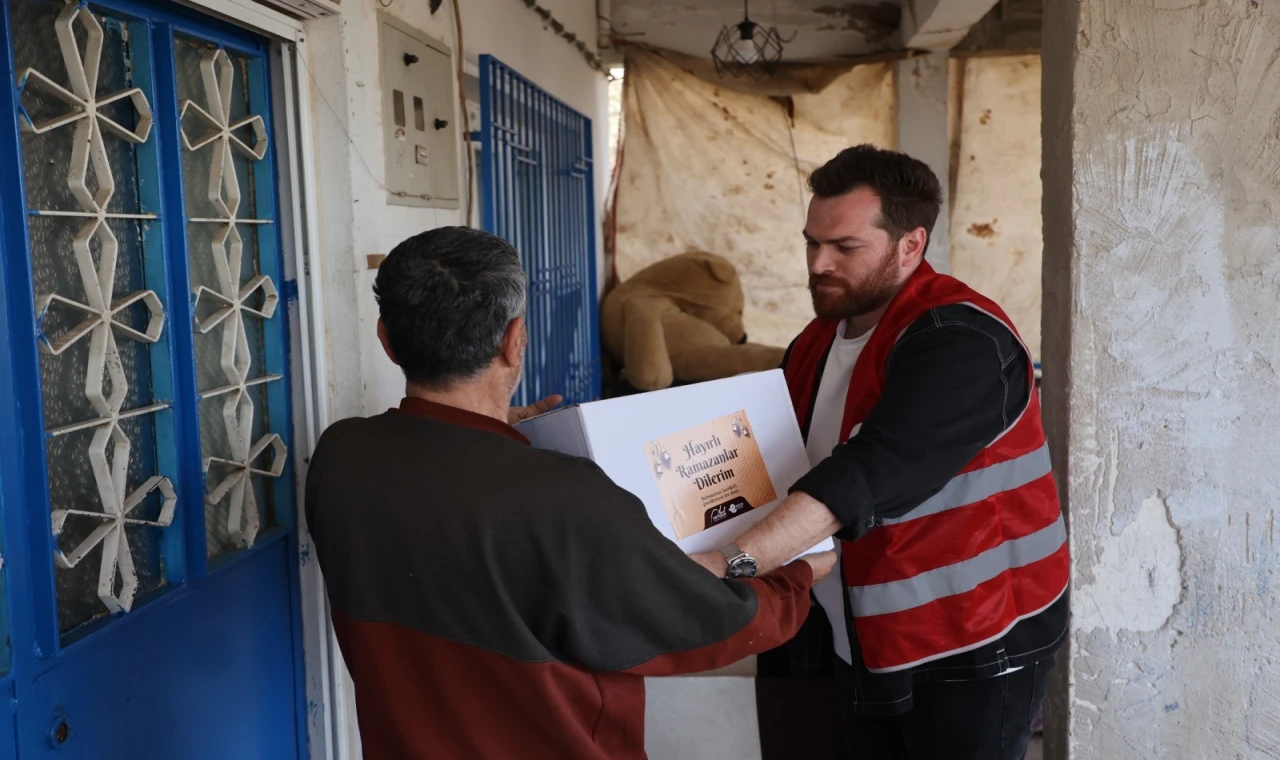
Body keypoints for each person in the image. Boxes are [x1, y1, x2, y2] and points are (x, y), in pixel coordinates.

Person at [304, 226, 836, 760]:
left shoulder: (341, 457)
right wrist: (796, 577)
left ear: (387, 340)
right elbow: (704, 623)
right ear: (515, 340)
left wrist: (484, 432)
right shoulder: (563, 498)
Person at [692, 145, 1069, 760]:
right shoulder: (817, 340)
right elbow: (761, 460)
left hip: (966, 641)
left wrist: (728, 563)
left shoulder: (962, 340)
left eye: (844, 248)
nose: (818, 263)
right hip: (844, 630)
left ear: (911, 245)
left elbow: (862, 476)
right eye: (812, 242)